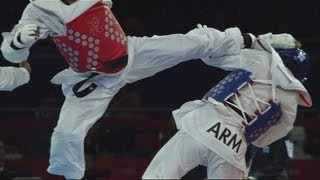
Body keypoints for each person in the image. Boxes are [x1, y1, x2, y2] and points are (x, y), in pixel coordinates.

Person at [0, 0, 274, 179]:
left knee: (191, 43)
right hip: (93, 78)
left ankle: (254, 40)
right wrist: (17, 43)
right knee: (66, 131)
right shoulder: (39, 10)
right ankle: (69, 175)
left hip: (133, 52)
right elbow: (12, 53)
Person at [142, 30, 312, 179]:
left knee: (159, 175)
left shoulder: (261, 59)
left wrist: (251, 40)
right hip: (235, 145)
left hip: (204, 124)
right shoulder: (291, 104)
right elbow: (266, 139)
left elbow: (213, 57)